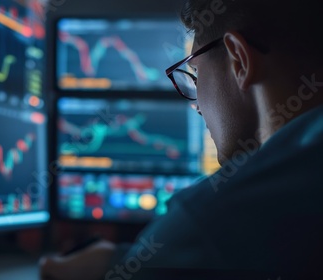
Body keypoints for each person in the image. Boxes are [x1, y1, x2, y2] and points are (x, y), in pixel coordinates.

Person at [40, 0, 323, 279]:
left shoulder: (214, 219)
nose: (196, 105)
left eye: (196, 73)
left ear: (240, 59)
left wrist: (129, 263)